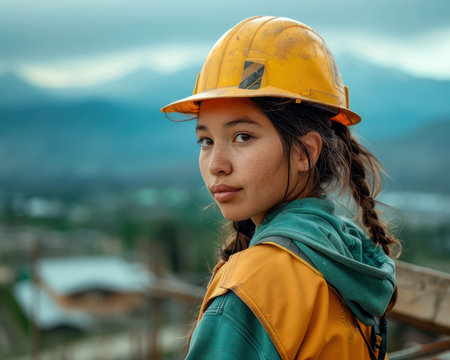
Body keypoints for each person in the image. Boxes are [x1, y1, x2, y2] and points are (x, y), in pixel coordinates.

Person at [161, 16, 399, 360]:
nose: (216, 164)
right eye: (206, 140)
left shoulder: (254, 284)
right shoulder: (344, 249)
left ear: (305, 152)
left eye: (243, 136)